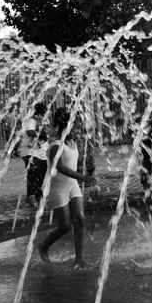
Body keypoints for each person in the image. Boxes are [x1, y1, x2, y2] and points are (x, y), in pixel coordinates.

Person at [37, 107, 97, 267]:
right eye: (76, 130)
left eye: (79, 130)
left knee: (80, 220)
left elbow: (73, 163)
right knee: (65, 226)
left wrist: (87, 172)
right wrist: (83, 177)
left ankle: (79, 258)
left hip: (72, 186)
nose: (79, 133)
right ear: (67, 128)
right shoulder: (57, 145)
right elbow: (60, 167)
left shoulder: (72, 143)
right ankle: (43, 247)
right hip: (57, 189)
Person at [21, 104, 48, 209]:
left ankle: (38, 194)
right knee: (33, 174)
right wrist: (40, 134)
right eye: (44, 112)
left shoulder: (45, 121)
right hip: (30, 152)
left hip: (42, 153)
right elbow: (30, 131)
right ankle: (31, 196)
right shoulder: (31, 121)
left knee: (41, 173)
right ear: (40, 113)